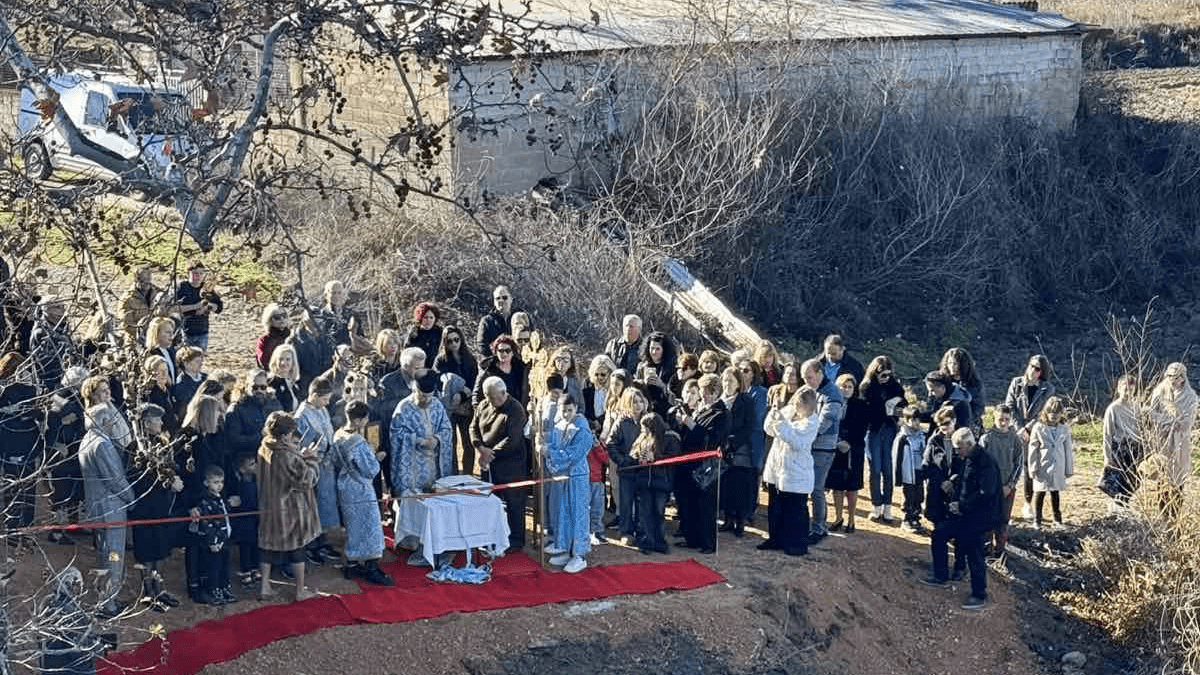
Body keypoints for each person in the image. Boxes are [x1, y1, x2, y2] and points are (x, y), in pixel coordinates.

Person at [921, 428, 1003, 611]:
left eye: (959, 448)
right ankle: (940, 576)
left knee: (975, 553)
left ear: (969, 444)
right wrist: (954, 492)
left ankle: (979, 595)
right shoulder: (968, 459)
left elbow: (986, 492)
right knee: (939, 533)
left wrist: (962, 505)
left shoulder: (986, 462)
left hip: (980, 517)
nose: (957, 451)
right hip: (964, 514)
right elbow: (966, 482)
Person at [80, 398, 136, 617]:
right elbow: (115, 479)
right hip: (111, 507)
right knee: (113, 556)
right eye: (111, 419)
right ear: (103, 421)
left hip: (98, 507)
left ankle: (108, 598)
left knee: (105, 554)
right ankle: (108, 604)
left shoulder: (88, 439)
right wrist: (131, 498)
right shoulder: (102, 444)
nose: (114, 423)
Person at [257, 411, 321, 602]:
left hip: (269, 505)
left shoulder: (265, 446)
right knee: (297, 548)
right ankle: (300, 591)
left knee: (267, 546)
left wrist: (298, 455)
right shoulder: (287, 455)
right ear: (284, 436)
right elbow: (307, 480)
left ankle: (265, 587)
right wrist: (311, 459)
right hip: (290, 508)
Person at [390, 371, 453, 563]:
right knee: (414, 504)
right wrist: (417, 441)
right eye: (422, 395)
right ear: (414, 389)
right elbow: (395, 434)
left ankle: (437, 541)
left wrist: (437, 439)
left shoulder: (437, 405)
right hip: (413, 469)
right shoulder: (403, 408)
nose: (426, 400)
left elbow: (447, 429)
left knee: (435, 503)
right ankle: (413, 543)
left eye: (429, 396)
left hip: (434, 466)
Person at [128, 403, 183, 612]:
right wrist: (167, 482)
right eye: (157, 419)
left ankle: (159, 589)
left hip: (161, 506)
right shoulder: (135, 448)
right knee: (146, 553)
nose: (161, 422)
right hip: (145, 508)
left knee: (160, 550)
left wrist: (174, 477)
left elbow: (170, 467)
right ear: (146, 423)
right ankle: (148, 593)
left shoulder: (162, 443)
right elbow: (138, 478)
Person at [333, 401, 393, 585]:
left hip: (345, 485)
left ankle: (352, 565)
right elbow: (371, 469)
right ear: (359, 420)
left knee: (353, 526)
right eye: (365, 418)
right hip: (360, 488)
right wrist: (376, 457)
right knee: (370, 526)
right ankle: (371, 567)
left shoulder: (338, 434)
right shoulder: (357, 442)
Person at [471, 376, 529, 553]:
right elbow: (473, 427)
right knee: (490, 501)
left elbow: (512, 439)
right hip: (488, 461)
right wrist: (480, 447)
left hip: (511, 463)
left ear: (504, 393)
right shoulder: (483, 405)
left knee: (514, 503)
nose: (494, 401)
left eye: (497, 397)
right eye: (490, 397)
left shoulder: (516, 409)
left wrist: (490, 454)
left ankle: (516, 540)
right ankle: (492, 535)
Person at [761, 386, 820, 556]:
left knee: (795, 510)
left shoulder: (812, 422)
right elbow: (769, 429)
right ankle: (775, 539)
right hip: (777, 467)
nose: (799, 406)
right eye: (798, 401)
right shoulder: (788, 411)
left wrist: (781, 423)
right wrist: (774, 413)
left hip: (796, 471)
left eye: (803, 403)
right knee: (776, 507)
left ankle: (796, 544)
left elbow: (797, 442)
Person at [675, 373, 729, 554]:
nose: (705, 396)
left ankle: (707, 543)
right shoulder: (700, 409)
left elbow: (711, 439)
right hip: (690, 462)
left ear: (717, 393)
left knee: (706, 505)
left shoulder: (721, 413)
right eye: (703, 391)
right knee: (689, 502)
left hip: (706, 465)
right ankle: (692, 539)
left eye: (710, 392)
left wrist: (690, 424)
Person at [544, 393, 595, 571]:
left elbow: (573, 454)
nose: (566, 414)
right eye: (563, 410)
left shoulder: (583, 430)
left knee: (578, 513)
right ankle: (566, 548)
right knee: (563, 513)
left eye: (569, 410)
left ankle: (579, 554)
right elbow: (553, 445)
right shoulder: (558, 426)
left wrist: (549, 452)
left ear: (576, 409)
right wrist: (545, 447)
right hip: (562, 476)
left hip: (577, 477)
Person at [1004, 354, 1055, 520]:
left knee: (1029, 468)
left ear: (1042, 372)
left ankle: (1027, 503)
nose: (1033, 370)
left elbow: (1044, 412)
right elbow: (1010, 406)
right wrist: (1020, 428)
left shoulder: (1048, 389)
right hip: (1015, 430)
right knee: (1009, 466)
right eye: (1031, 366)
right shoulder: (1016, 383)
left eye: (1037, 368)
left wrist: (1028, 428)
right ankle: (1004, 503)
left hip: (1036, 432)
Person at [295, 375, 340, 564]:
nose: (327, 403)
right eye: (324, 399)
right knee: (312, 506)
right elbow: (303, 443)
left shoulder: (322, 409)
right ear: (313, 395)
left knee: (324, 505)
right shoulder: (301, 416)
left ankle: (322, 541)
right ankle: (311, 545)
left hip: (326, 466)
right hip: (312, 467)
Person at [801, 358, 845, 544]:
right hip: (809, 444)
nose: (806, 382)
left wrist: (803, 435)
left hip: (823, 447)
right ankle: (809, 524)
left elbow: (825, 421)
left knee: (816, 488)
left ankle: (819, 527)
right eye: (804, 378)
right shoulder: (811, 389)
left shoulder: (833, 393)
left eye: (809, 377)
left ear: (820, 373)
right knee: (807, 486)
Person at [0, 352, 44, 532]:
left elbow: (37, 411)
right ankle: (13, 527)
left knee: (26, 489)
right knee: (14, 488)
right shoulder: (4, 390)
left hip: (26, 443)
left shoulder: (29, 389)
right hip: (11, 444)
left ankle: (23, 527)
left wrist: (34, 413)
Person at [46, 365, 88, 544]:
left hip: (75, 450)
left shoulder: (74, 399)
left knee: (75, 488)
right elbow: (52, 425)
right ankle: (56, 532)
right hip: (61, 452)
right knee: (60, 491)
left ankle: (73, 524)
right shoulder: (60, 399)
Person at [1148, 362, 1197, 517]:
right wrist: (1169, 421)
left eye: (1176, 377)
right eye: (1170, 376)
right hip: (1162, 441)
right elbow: (1152, 415)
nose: (1173, 380)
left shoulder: (1191, 397)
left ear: (1183, 378)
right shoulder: (1159, 392)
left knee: (1178, 478)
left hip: (1180, 443)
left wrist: (1170, 421)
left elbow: (1187, 423)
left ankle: (1175, 515)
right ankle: (1163, 515)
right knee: (1162, 477)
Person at [860, 356, 904, 523]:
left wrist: (896, 404)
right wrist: (885, 408)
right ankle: (876, 504)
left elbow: (903, 401)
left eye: (888, 374)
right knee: (875, 469)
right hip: (874, 430)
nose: (886, 378)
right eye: (882, 374)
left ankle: (887, 506)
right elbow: (866, 411)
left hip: (890, 429)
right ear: (875, 372)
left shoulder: (894, 385)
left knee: (888, 469)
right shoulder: (867, 387)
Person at [628, 412, 678, 555]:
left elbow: (673, 458)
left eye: (646, 428)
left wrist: (656, 457)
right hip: (645, 481)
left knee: (658, 512)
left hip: (660, 482)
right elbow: (633, 452)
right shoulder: (642, 438)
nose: (643, 430)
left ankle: (659, 541)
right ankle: (648, 541)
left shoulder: (669, 438)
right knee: (645, 512)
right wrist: (639, 457)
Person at [605, 386, 649, 544]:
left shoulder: (648, 420)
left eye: (640, 401)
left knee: (643, 502)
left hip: (644, 469)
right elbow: (611, 444)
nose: (638, 405)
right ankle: (626, 531)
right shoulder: (622, 422)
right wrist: (622, 460)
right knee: (626, 502)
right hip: (627, 469)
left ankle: (642, 531)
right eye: (634, 402)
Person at [187, 465, 235, 605]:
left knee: (225, 566)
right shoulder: (205, 501)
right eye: (215, 482)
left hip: (224, 539)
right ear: (206, 483)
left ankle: (224, 588)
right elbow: (207, 524)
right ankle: (213, 590)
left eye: (221, 482)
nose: (219, 485)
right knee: (213, 568)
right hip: (214, 542)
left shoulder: (221, 499)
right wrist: (213, 541)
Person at [433, 325, 479, 474]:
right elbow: (438, 382)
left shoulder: (470, 359)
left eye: (456, 339)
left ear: (461, 340)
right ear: (444, 342)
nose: (453, 343)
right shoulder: (441, 360)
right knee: (450, 443)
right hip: (448, 407)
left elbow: (474, 383)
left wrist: (463, 394)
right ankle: (453, 474)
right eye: (449, 341)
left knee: (468, 442)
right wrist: (454, 390)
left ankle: (468, 474)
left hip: (466, 406)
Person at [980, 404, 1023, 559]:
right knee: (987, 519)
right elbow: (980, 464)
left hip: (1007, 488)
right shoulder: (986, 438)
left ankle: (1000, 551)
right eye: (1000, 419)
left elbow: (1019, 464)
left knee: (1003, 520)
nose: (1003, 422)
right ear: (994, 418)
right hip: (989, 488)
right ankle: (986, 551)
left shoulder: (1015, 439)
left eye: (1006, 419)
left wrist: (1010, 485)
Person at [718, 366, 755, 538]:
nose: (727, 384)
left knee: (739, 486)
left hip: (740, 449)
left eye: (731, 381)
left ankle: (740, 521)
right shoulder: (719, 401)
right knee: (726, 485)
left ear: (738, 383)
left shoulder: (746, 401)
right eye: (725, 380)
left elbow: (749, 426)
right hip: (722, 450)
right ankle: (728, 519)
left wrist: (732, 441)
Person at [828, 374, 867, 533]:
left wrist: (849, 443)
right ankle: (838, 518)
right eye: (844, 386)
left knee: (852, 487)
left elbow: (862, 428)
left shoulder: (861, 405)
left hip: (854, 450)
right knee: (837, 486)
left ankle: (851, 520)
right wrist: (837, 441)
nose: (847, 389)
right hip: (835, 447)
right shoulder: (832, 403)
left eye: (850, 387)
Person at [1027, 396, 1074, 529]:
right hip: (1042, 465)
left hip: (1058, 465)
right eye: (1051, 412)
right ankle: (1037, 519)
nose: (1054, 415)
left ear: (1061, 414)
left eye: (1057, 413)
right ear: (1045, 412)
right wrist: (1033, 467)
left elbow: (1068, 449)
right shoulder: (1038, 427)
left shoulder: (1064, 429)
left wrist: (1068, 469)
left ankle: (1057, 519)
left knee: (1055, 493)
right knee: (1040, 492)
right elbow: (1033, 448)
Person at [1099, 374, 1142, 506]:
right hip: (1119, 450)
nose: (1128, 393)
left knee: (1131, 483)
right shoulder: (1113, 409)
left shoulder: (1136, 407)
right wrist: (1107, 457)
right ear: (1119, 389)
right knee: (1117, 485)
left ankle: (1124, 507)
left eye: (1131, 390)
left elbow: (1140, 430)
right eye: (1125, 389)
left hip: (1133, 451)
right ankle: (1117, 509)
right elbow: (1107, 434)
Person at [226, 370, 282, 461]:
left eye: (263, 387)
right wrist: (261, 437)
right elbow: (234, 441)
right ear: (247, 386)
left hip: (273, 456)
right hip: (248, 459)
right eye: (254, 387)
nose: (259, 390)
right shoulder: (237, 408)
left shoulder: (274, 404)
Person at [226, 453, 261, 591]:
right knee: (245, 547)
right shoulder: (238, 485)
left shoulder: (257, 483)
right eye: (251, 464)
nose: (255, 466)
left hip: (255, 520)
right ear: (242, 469)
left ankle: (255, 568)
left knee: (255, 545)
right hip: (243, 523)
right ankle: (245, 572)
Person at [172, 260, 222, 351]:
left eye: (200, 273)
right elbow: (174, 308)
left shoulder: (206, 288)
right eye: (195, 273)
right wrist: (195, 306)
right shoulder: (182, 287)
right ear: (188, 273)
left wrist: (207, 307)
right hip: (184, 332)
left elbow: (218, 308)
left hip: (202, 332)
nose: (198, 276)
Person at [29, 298, 77, 391]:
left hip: (66, 377)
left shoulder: (61, 327)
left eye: (63, 306)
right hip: (51, 384)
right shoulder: (41, 332)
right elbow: (47, 363)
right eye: (57, 307)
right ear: (46, 310)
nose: (62, 310)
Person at [893, 406, 927, 534]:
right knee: (909, 496)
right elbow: (897, 458)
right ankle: (907, 519)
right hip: (908, 472)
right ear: (906, 420)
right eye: (913, 420)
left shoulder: (923, 435)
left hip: (919, 471)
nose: (916, 423)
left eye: (918, 419)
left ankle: (916, 518)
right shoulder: (903, 437)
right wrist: (898, 476)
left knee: (919, 495)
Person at [473, 334, 528, 408]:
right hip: (494, 411)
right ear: (496, 352)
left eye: (507, 350)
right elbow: (476, 395)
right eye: (501, 351)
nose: (504, 353)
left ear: (512, 352)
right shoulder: (488, 369)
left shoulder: (520, 369)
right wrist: (480, 411)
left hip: (516, 410)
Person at [939, 347, 984, 435]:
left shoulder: (974, 383)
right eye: (949, 363)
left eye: (955, 363)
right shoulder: (942, 382)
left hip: (969, 425)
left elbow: (978, 407)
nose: (952, 366)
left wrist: (963, 422)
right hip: (945, 424)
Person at [119, 266, 162, 348]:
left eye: (148, 279)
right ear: (136, 280)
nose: (146, 283)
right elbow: (126, 325)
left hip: (156, 339)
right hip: (135, 341)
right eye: (142, 280)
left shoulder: (157, 294)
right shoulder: (127, 299)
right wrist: (144, 333)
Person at [138, 355, 179, 435]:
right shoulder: (148, 393)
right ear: (151, 373)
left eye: (166, 370)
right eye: (160, 371)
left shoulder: (168, 389)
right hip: (160, 435)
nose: (164, 374)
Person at [476, 285, 518, 358]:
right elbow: (481, 345)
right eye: (498, 298)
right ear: (494, 302)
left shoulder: (521, 317)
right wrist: (496, 359)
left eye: (504, 297)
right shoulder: (486, 321)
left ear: (511, 299)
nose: (501, 301)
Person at [581, 354, 616, 434]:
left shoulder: (614, 390)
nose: (599, 377)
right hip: (591, 429)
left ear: (610, 373)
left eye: (603, 374)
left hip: (610, 429)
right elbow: (585, 408)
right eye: (596, 374)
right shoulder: (588, 388)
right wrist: (592, 423)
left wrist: (600, 421)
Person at [171, 346, 207, 421]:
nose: (201, 364)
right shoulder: (181, 385)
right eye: (197, 361)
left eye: (201, 361)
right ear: (186, 364)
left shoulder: (205, 377)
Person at [404, 302, 443, 368]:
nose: (428, 320)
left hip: (437, 368)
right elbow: (406, 353)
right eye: (425, 317)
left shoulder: (440, 332)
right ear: (420, 318)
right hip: (418, 368)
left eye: (431, 317)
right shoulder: (414, 333)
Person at [267, 343, 302, 413]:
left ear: (293, 362)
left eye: (288, 359)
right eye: (280, 359)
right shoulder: (271, 383)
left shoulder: (295, 383)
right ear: (275, 361)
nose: (283, 363)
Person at [255, 304, 290, 370]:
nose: (282, 319)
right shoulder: (264, 339)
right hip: (272, 373)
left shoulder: (292, 335)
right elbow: (262, 362)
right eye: (277, 317)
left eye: (284, 315)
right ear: (269, 320)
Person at [143, 316, 178, 384]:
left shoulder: (171, 352)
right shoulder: (151, 353)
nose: (172, 335)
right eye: (167, 332)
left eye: (172, 332)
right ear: (156, 333)